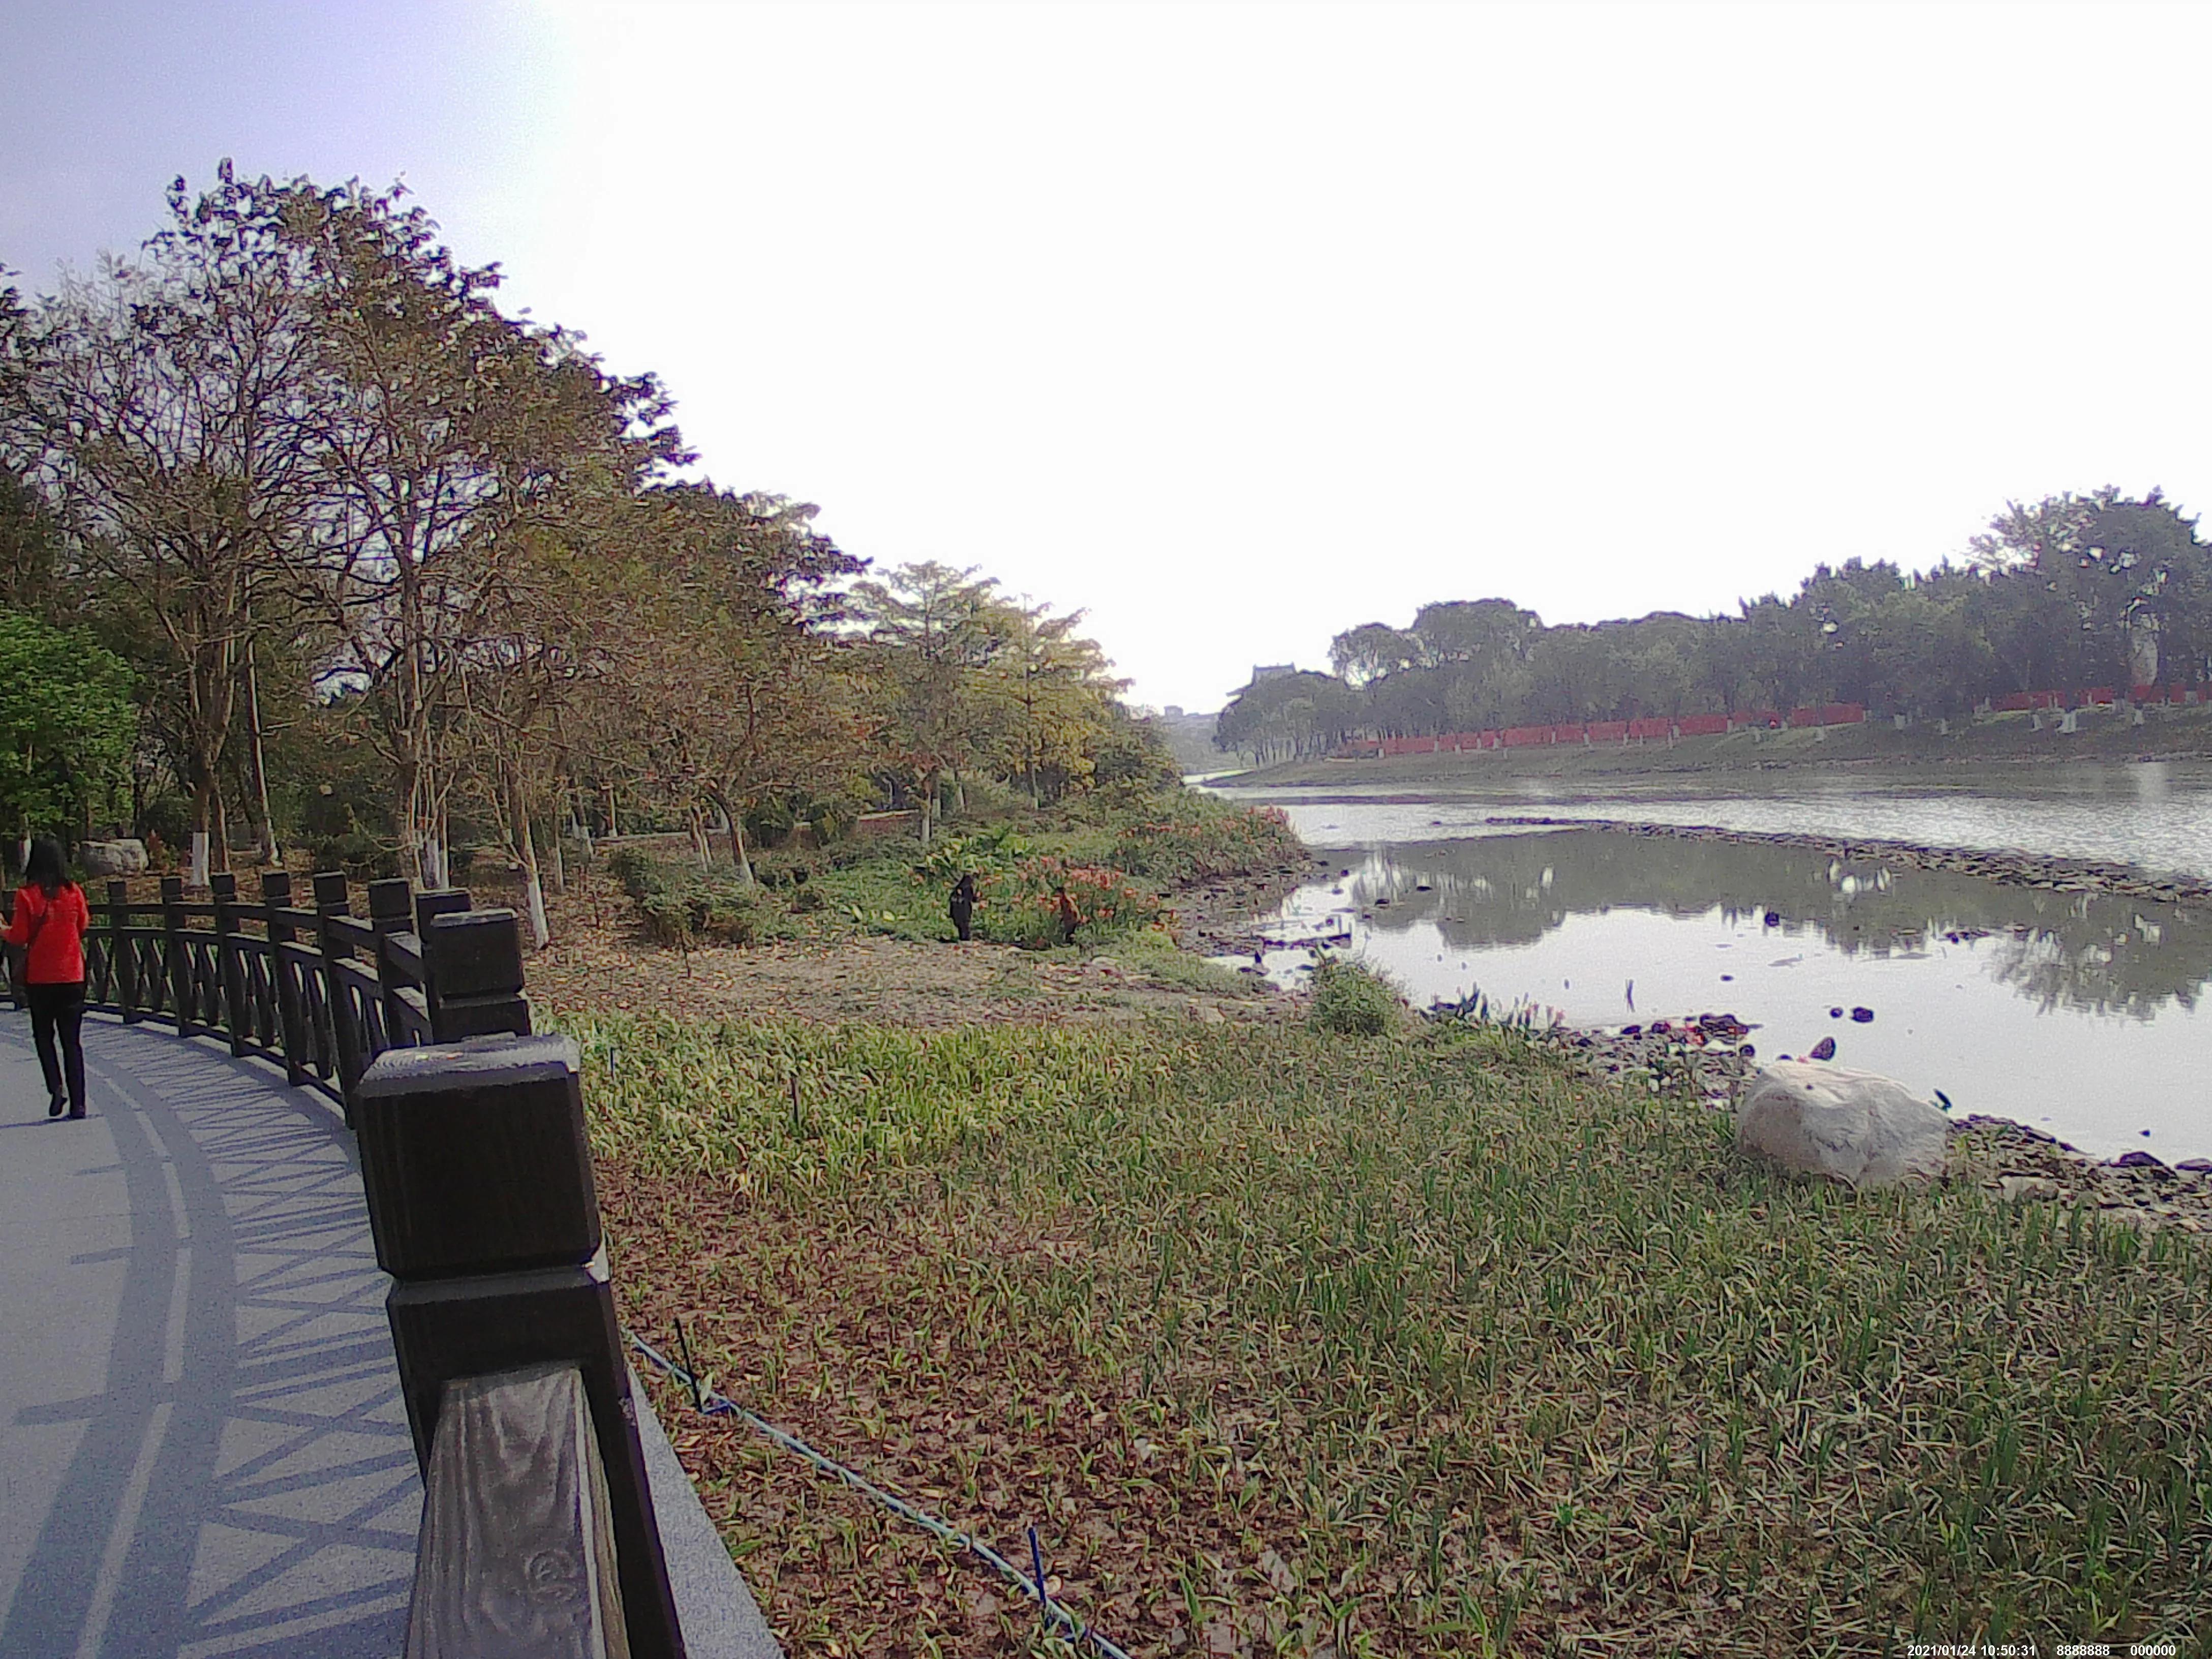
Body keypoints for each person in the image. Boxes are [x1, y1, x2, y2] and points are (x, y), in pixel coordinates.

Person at [7, 836, 92, 1119]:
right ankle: (79, 1104)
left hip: (41, 979)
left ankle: (56, 1088)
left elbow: (19, 936)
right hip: (72, 976)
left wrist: (3, 930)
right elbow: (83, 925)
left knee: (44, 1036)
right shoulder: (74, 892)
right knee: (72, 1042)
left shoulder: (27, 896)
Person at [948, 872, 977, 942]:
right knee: (964, 924)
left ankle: (964, 937)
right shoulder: (967, 888)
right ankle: (965, 937)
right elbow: (972, 899)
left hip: (960, 910)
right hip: (963, 909)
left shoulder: (957, 890)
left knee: (962, 925)